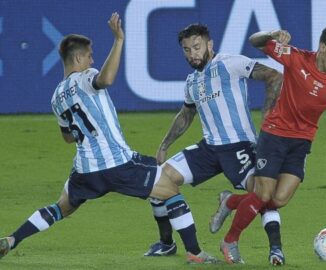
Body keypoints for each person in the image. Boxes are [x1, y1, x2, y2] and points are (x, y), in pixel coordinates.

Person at [0, 13, 219, 264]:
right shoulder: (85, 78)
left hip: (85, 170)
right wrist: (118, 40)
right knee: (171, 190)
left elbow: (68, 138)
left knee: (60, 208)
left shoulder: (56, 97)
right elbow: (105, 79)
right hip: (116, 163)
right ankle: (195, 253)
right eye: (90, 55)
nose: (93, 59)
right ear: (79, 57)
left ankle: (13, 239)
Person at [209, 25, 326, 264]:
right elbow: (254, 41)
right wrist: (271, 34)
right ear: (322, 48)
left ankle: (231, 201)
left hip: (301, 143)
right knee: (263, 194)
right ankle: (230, 240)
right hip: (275, 135)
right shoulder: (295, 58)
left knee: (278, 200)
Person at [143, 23, 285, 265]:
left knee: (264, 195)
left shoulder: (230, 63)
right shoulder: (191, 81)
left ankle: (275, 249)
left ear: (209, 44)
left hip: (240, 146)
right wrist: (164, 145)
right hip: (209, 149)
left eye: (196, 47)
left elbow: (275, 75)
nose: (192, 54)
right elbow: (186, 114)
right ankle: (167, 244)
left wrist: (268, 121)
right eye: (187, 50)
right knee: (159, 182)